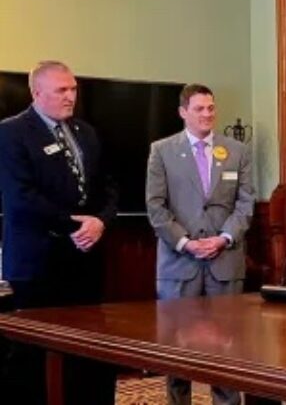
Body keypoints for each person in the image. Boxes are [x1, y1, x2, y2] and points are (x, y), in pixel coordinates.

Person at [0, 60, 118, 405]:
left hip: (84, 261)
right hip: (38, 265)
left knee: (87, 355)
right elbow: (21, 199)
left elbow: (108, 187)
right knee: (33, 360)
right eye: (61, 91)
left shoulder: (86, 132)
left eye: (74, 89)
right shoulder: (11, 132)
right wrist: (75, 225)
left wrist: (101, 221)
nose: (71, 97)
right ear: (37, 93)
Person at [146, 83, 254, 405]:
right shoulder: (162, 151)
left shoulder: (237, 151)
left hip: (225, 262)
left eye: (211, 108)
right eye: (199, 109)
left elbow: (245, 204)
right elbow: (155, 206)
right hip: (179, 265)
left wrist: (223, 238)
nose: (207, 114)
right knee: (176, 350)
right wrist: (186, 243)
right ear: (182, 112)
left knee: (228, 346)